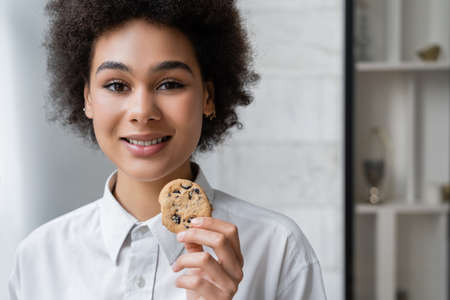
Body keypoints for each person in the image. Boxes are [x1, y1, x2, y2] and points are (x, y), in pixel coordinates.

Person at [8, 1, 327, 299]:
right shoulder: (39, 258)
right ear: (88, 98)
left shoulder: (278, 250)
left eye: (169, 84)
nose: (142, 110)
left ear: (208, 97)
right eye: (117, 85)